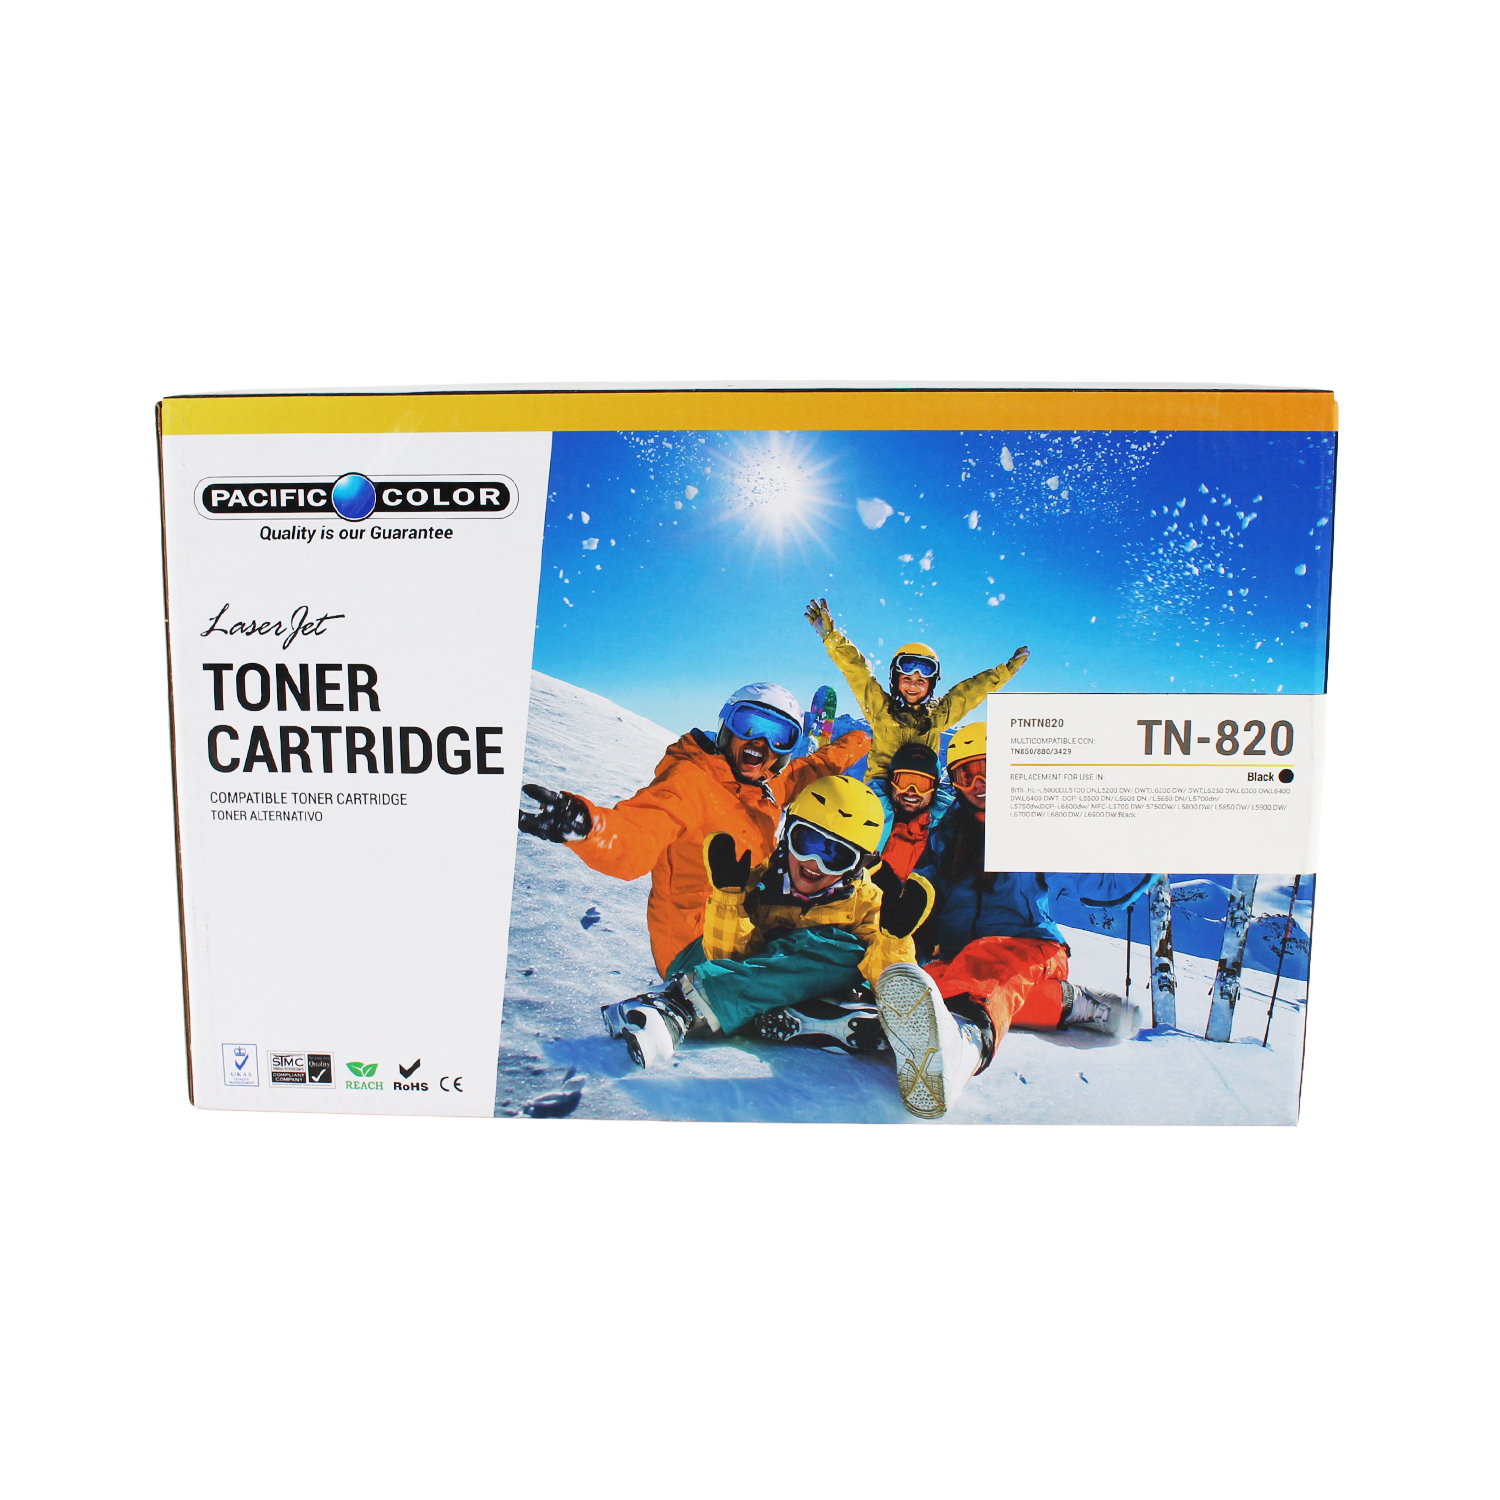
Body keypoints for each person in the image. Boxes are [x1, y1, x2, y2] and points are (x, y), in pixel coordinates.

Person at [871, 721, 1152, 1119]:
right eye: (967, 775)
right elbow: (929, 881)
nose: (980, 784)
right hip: (962, 958)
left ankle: (963, 1047)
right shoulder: (947, 833)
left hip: (1032, 948)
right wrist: (910, 900)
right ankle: (1071, 1004)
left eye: (990, 771)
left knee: (981, 966)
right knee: (927, 984)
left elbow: (1100, 885)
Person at [518, 683, 870, 980]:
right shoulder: (690, 783)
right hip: (694, 947)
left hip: (744, 927)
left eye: (779, 736)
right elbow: (636, 835)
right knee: (828, 958)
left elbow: (814, 767)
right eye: (749, 725)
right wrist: (590, 827)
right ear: (727, 727)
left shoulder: (766, 787)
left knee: (842, 936)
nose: (762, 743)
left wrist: (862, 739)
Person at [601, 776, 934, 1067]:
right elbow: (727, 960)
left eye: (836, 856)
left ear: (857, 866)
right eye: (807, 842)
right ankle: (686, 1004)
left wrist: (893, 940)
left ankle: (712, 1007)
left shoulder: (867, 904)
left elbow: (891, 986)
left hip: (764, 984)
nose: (814, 862)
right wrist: (729, 900)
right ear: (787, 835)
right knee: (839, 950)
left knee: (847, 951)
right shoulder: (757, 882)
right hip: (717, 969)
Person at [804, 596, 1029, 833]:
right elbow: (857, 672)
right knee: (879, 816)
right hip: (884, 784)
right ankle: (871, 847)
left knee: (952, 818)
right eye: (907, 679)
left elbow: (970, 692)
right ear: (895, 680)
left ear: (931, 686)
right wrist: (831, 637)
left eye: (921, 681)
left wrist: (1005, 671)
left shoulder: (938, 715)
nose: (913, 685)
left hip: (924, 787)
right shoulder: (881, 709)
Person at [877, 742, 952, 880]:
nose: (911, 791)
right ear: (891, 781)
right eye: (903, 782)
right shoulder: (866, 813)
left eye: (922, 785)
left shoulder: (951, 823)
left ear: (934, 788)